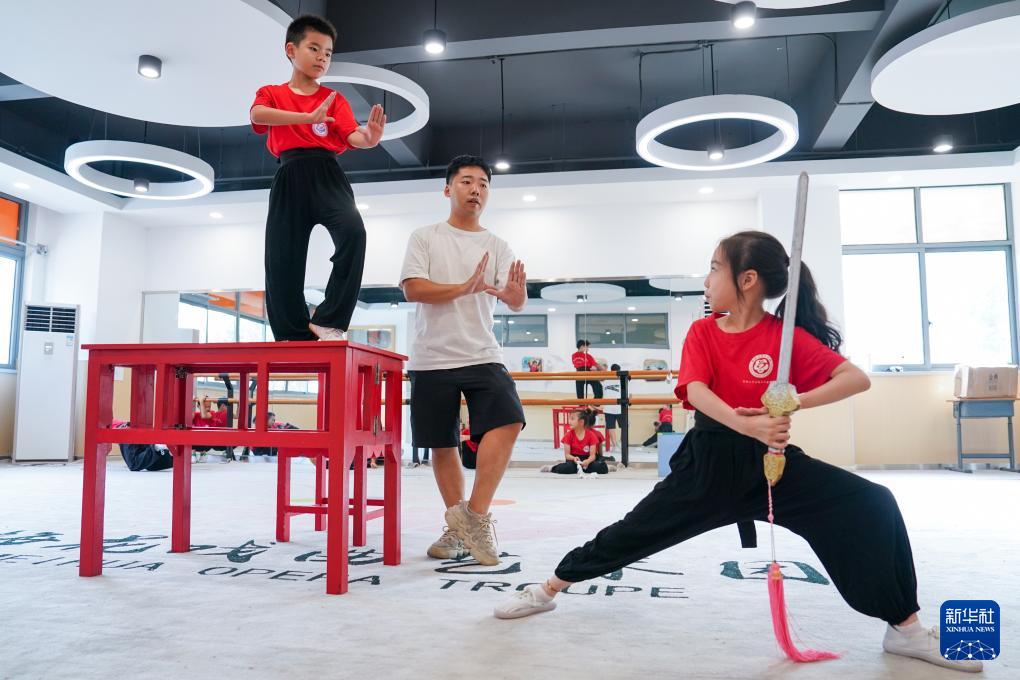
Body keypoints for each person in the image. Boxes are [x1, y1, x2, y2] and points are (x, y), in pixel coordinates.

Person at [493, 230, 979, 673]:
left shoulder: (783, 338)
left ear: (746, 279)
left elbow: (855, 378)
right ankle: (548, 589)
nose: (706, 281)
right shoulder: (704, 331)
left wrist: (795, 401)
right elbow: (696, 390)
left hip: (773, 468)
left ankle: (905, 629)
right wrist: (749, 422)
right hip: (708, 466)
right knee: (632, 533)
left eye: (713, 268)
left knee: (873, 503)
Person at [400, 155, 528, 566]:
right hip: (431, 355)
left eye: (483, 184)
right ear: (448, 189)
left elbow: (514, 298)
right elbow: (413, 288)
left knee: (509, 419)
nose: (476, 190)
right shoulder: (425, 237)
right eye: (467, 181)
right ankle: (458, 532)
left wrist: (515, 298)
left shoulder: (498, 245)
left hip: (481, 352)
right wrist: (463, 287)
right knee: (443, 443)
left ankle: (473, 518)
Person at [249, 14, 386, 341]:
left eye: (328, 52)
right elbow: (257, 115)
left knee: (354, 233)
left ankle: (329, 319)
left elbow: (352, 134)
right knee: (282, 257)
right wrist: (306, 117)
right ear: (291, 50)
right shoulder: (271, 92)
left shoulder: (334, 99)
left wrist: (369, 139)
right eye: (314, 48)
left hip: (327, 173)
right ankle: (292, 333)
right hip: (289, 174)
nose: (322, 57)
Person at [542, 409, 609, 475]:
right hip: (573, 460)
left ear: (581, 422)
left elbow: (592, 455)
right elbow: (567, 455)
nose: (570, 422)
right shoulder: (568, 435)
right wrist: (573, 458)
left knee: (602, 467)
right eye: (570, 419)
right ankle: (553, 468)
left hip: (587, 459)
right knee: (567, 467)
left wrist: (588, 461)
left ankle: (582, 468)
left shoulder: (591, 435)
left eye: (572, 419)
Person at [603, 363, 622, 452]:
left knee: (620, 426)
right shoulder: (606, 379)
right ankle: (616, 444)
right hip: (612, 407)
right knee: (612, 427)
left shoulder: (622, 379)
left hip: (617, 407)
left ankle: (617, 444)